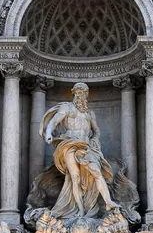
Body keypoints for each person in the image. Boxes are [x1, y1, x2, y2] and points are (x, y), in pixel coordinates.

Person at [41, 83, 118, 219]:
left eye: (82, 93)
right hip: (69, 144)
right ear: (74, 94)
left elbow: (96, 131)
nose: (79, 95)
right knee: (75, 177)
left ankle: (108, 202)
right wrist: (48, 133)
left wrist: (95, 139)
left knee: (96, 172)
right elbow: (54, 122)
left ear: (86, 95)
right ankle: (80, 210)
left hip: (86, 146)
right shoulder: (67, 108)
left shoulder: (89, 113)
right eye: (77, 93)